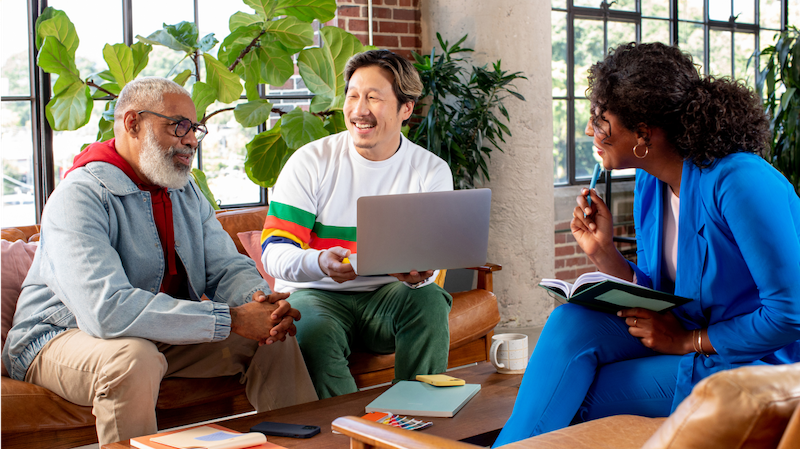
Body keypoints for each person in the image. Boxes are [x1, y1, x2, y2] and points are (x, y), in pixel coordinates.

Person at [493, 42, 800, 447]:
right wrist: (604, 254)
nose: (589, 131)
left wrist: (686, 342)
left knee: (577, 391)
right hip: (688, 332)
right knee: (571, 321)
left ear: (643, 133)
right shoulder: (651, 182)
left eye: (601, 120)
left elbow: (790, 314)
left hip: (752, 359)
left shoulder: (741, 182)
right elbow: (664, 295)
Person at [1, 77, 317, 445]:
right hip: (56, 339)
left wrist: (262, 308)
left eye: (195, 128)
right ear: (133, 123)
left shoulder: (184, 191)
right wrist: (228, 319)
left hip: (152, 336)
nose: (191, 140)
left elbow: (225, 267)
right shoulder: (78, 197)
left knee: (272, 339)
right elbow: (106, 311)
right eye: (178, 126)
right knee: (133, 359)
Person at [260, 49, 454, 399]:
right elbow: (274, 252)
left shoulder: (431, 171)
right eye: (352, 96)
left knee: (430, 301)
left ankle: (412, 416)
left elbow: (433, 255)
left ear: (405, 108)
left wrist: (421, 271)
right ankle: (353, 430)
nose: (359, 110)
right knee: (312, 333)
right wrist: (319, 262)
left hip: (388, 297)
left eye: (374, 98)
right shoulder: (311, 162)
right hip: (316, 293)